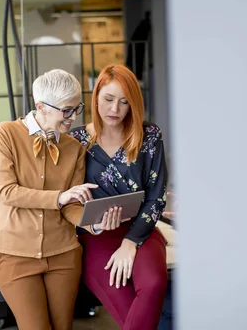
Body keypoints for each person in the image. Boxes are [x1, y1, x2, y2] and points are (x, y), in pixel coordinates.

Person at [0, 69, 123, 330]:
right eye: (66, 110)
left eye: (76, 108)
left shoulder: (74, 148)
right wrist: (60, 197)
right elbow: (7, 192)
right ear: (41, 106)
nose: (73, 117)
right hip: (16, 256)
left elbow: (71, 207)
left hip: (64, 255)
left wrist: (94, 223)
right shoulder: (6, 134)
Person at [70, 65, 169, 330]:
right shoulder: (76, 141)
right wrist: (94, 223)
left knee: (154, 284)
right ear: (96, 97)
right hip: (94, 238)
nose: (115, 109)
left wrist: (130, 242)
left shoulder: (149, 137)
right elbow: (67, 200)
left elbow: (156, 197)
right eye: (108, 100)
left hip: (142, 231)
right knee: (129, 312)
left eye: (124, 102)